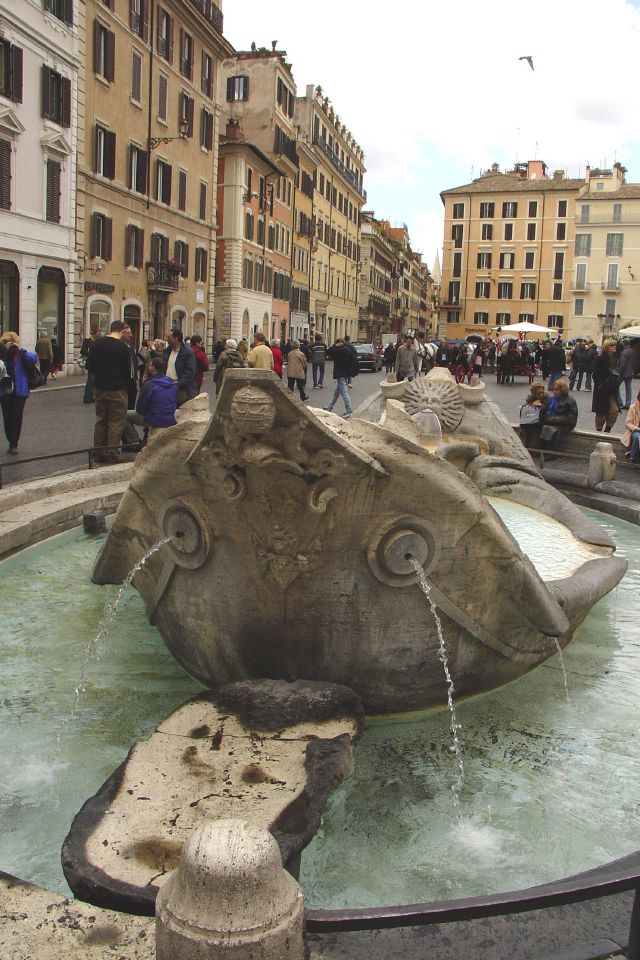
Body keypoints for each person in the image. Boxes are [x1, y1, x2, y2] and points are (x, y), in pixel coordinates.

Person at [87, 319, 131, 463]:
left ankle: (98, 452)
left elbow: (90, 366)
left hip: (99, 388)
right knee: (116, 422)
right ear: (121, 330)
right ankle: (112, 452)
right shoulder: (123, 347)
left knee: (100, 420)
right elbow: (127, 371)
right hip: (117, 389)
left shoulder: (97, 343)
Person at [122, 356, 178, 448]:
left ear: (154, 369)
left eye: (150, 365)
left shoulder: (149, 384)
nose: (148, 367)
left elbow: (140, 407)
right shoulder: (171, 383)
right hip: (170, 417)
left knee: (123, 415)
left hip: (154, 418)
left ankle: (134, 441)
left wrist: (144, 384)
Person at [0, 332, 38, 454]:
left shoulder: (21, 353)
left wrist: (20, 350)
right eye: (6, 343)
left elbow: (33, 359)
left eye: (11, 342)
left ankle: (13, 443)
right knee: (7, 417)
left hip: (19, 390)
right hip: (4, 389)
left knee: (17, 416)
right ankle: (10, 438)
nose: (9, 345)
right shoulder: (2, 354)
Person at [592, 337, 621, 433]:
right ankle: (599, 431)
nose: (614, 346)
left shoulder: (613, 358)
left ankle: (607, 430)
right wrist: (601, 384)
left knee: (615, 410)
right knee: (601, 413)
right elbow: (595, 374)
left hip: (611, 389)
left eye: (614, 345)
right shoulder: (601, 358)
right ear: (606, 347)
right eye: (612, 345)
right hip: (602, 389)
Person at [539, 378, 578, 448]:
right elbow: (545, 411)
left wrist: (563, 421)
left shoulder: (570, 400)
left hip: (563, 424)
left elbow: (573, 416)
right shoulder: (551, 399)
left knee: (550, 430)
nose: (554, 391)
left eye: (557, 390)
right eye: (553, 389)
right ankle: (542, 450)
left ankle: (550, 452)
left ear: (562, 390)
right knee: (542, 428)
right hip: (551, 421)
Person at [324, 337, 357, 418]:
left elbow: (328, 351)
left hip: (340, 373)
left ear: (338, 343)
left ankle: (349, 411)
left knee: (344, 392)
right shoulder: (348, 349)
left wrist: (335, 346)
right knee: (337, 392)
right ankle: (329, 407)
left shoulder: (338, 351)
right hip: (346, 373)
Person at [163, 328, 197, 406]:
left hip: (181, 390)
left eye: (169, 337)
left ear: (176, 338)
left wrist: (178, 385)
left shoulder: (188, 352)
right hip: (167, 387)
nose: (167, 340)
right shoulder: (167, 351)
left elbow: (189, 372)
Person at [518, 382, 548, 449]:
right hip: (532, 419)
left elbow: (547, 411)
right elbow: (525, 412)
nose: (541, 395)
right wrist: (532, 405)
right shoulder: (530, 399)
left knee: (536, 429)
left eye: (542, 392)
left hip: (542, 421)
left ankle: (535, 447)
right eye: (539, 393)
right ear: (534, 394)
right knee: (525, 425)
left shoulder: (546, 399)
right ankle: (525, 445)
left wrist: (541, 406)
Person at [120, 325, 140, 408]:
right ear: (122, 333)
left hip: (132, 379)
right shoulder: (118, 346)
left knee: (131, 402)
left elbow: (134, 362)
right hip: (122, 380)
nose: (131, 335)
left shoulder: (131, 346)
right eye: (128, 333)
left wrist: (136, 377)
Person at [80, 327, 101, 403]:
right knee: (90, 380)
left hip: (97, 363)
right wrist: (90, 353)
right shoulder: (87, 341)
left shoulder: (98, 341)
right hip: (90, 363)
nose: (98, 336)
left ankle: (92, 396)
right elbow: (82, 350)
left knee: (94, 381)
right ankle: (86, 397)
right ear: (94, 334)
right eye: (97, 334)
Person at [617, 338, 637, 409]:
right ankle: (628, 403)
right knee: (628, 388)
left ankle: (620, 402)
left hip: (623, 373)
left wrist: (618, 371)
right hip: (631, 372)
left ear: (624, 344)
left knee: (616, 386)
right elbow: (635, 362)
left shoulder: (624, 352)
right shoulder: (633, 351)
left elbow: (622, 364)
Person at [622, 389, 640, 463]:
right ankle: (633, 456)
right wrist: (637, 428)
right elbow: (627, 423)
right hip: (636, 430)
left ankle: (631, 453)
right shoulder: (633, 407)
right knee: (637, 437)